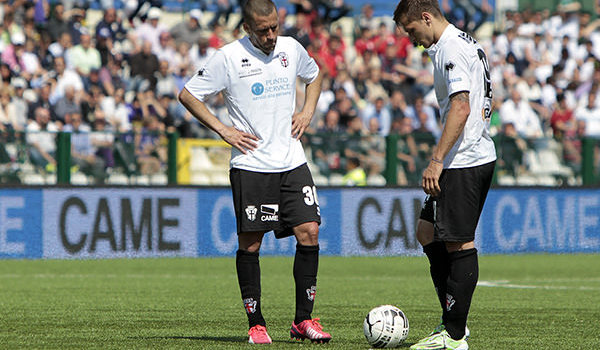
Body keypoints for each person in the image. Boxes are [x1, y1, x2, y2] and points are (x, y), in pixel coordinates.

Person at [178, 0, 331, 345]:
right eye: (263, 30)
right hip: (251, 164)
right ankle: (256, 323)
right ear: (247, 28)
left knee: (309, 231)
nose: (272, 35)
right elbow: (188, 94)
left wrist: (307, 110)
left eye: (275, 26)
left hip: (292, 159)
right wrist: (223, 129)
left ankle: (302, 321)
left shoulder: (291, 48)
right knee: (251, 242)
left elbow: (315, 74)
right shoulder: (229, 58)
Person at [393, 1, 496, 349]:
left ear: (426, 17)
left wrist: (436, 160)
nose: (412, 39)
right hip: (469, 155)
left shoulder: (450, 48)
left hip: (463, 160)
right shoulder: (466, 41)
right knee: (427, 232)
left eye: (411, 30)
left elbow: (461, 105)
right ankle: (453, 321)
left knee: (458, 241)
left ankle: (454, 335)